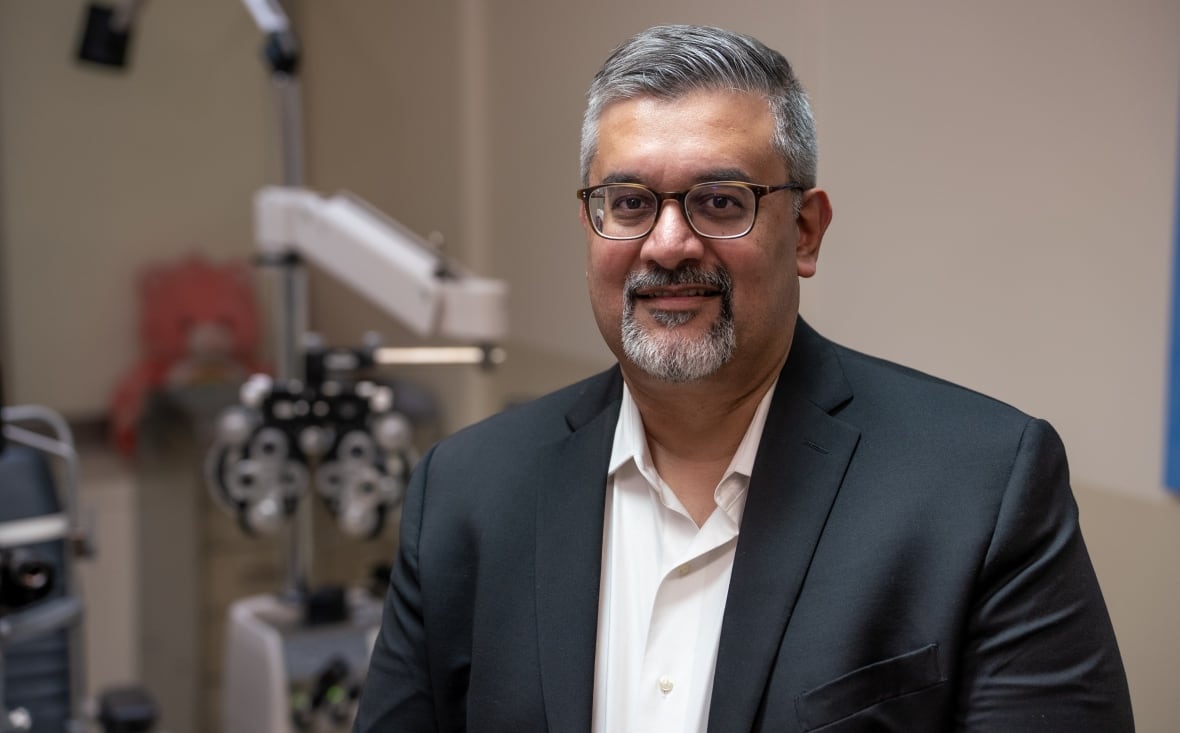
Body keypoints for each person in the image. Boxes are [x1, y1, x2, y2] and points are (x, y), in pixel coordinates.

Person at [353, 24, 1133, 732]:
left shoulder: (982, 488)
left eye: (719, 200)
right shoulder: (466, 490)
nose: (666, 243)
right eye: (627, 202)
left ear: (805, 230)